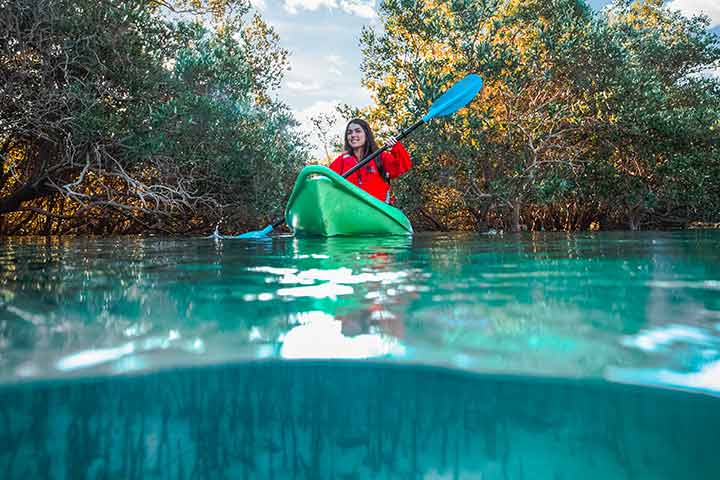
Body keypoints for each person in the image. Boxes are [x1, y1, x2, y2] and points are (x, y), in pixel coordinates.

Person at [329, 118, 412, 204]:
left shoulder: (380, 157)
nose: (353, 135)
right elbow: (327, 182)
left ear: (366, 134)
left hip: (377, 210)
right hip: (351, 210)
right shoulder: (341, 161)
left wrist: (395, 147)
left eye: (358, 131)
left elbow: (403, 166)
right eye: (349, 133)